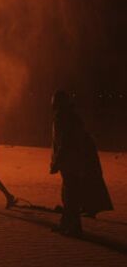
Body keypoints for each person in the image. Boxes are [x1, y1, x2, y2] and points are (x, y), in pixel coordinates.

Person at [51, 90, 112, 235]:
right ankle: (66, 224)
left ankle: (74, 227)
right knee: (69, 194)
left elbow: (64, 142)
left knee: (70, 195)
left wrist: (57, 161)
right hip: (74, 161)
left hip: (70, 162)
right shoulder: (71, 116)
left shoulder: (63, 117)